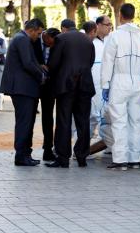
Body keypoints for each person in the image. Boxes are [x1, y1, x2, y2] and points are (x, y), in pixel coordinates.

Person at [101, 3, 140, 171]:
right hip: (136, 82)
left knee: (119, 121)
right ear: (134, 15)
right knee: (135, 121)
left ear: (120, 16)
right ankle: (134, 158)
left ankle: (121, 159)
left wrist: (105, 84)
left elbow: (107, 62)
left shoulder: (115, 36)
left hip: (119, 82)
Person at [46, 19, 95, 168]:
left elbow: (53, 63)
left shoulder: (61, 38)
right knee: (83, 121)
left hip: (66, 85)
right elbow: (91, 61)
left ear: (63, 28)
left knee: (64, 121)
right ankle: (82, 156)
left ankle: (63, 157)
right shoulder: (87, 40)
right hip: (85, 84)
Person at [1, 18, 46, 166]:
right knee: (24, 123)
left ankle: (26, 153)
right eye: (38, 33)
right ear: (32, 30)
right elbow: (28, 63)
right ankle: (21, 155)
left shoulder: (21, 39)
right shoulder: (22, 40)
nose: (38, 37)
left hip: (25, 89)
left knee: (27, 122)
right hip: (22, 89)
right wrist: (41, 75)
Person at [33, 27, 60, 161]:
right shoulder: (34, 39)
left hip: (49, 85)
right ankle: (26, 150)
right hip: (33, 83)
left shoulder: (56, 43)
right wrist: (39, 65)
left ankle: (48, 148)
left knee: (48, 117)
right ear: (46, 36)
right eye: (51, 41)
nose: (52, 44)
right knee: (29, 117)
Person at [90, 15, 112, 138]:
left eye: (110, 25)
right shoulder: (90, 41)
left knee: (106, 117)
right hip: (93, 85)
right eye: (107, 24)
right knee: (91, 117)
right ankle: (80, 149)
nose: (109, 27)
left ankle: (109, 145)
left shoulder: (111, 40)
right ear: (98, 25)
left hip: (107, 86)